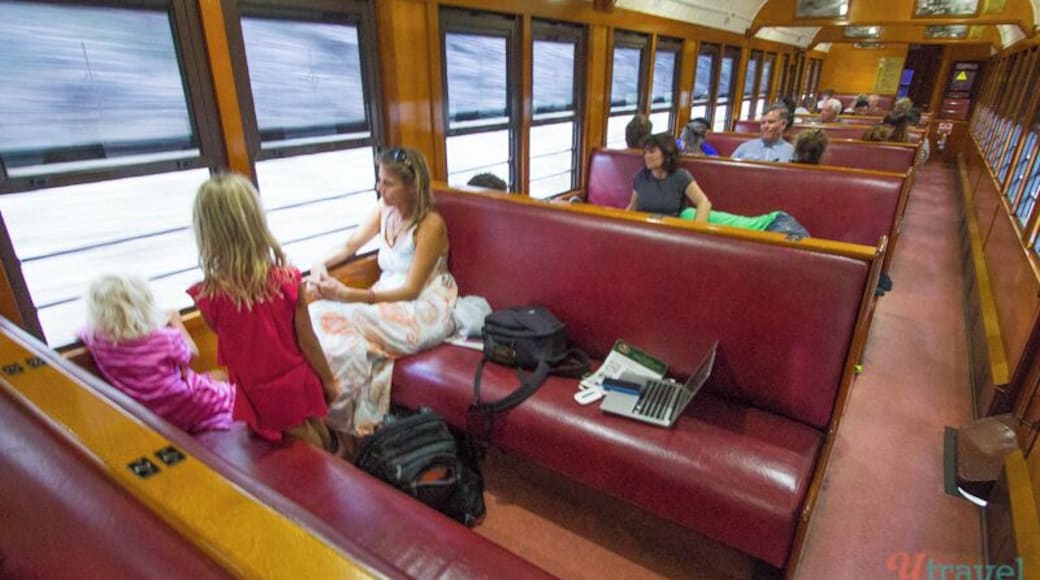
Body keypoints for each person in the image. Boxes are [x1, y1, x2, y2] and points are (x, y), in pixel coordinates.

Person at [307, 148, 458, 437]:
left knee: (345, 318)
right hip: (386, 296)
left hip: (423, 306)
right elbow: (350, 244)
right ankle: (343, 418)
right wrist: (318, 263)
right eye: (380, 180)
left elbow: (411, 289)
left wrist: (348, 295)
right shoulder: (384, 209)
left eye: (388, 183)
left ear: (412, 187)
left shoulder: (430, 225)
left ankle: (349, 426)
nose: (380, 188)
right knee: (315, 313)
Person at [189, 173, 339, 450]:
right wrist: (329, 381)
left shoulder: (208, 298)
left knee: (302, 443)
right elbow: (308, 342)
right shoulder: (286, 280)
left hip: (261, 395)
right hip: (297, 381)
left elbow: (232, 341)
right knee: (316, 434)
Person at [81, 274, 235, 433]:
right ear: (145, 305)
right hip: (179, 403)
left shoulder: (96, 341)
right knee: (231, 391)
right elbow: (192, 354)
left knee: (217, 377)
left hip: (147, 410)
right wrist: (176, 321)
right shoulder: (164, 338)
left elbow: (84, 331)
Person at [626, 133, 712, 221]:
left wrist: (695, 227)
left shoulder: (681, 176)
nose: (647, 156)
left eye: (652, 152)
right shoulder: (641, 176)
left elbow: (703, 202)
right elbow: (632, 208)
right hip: (644, 226)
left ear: (666, 153)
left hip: (670, 227)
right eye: (645, 152)